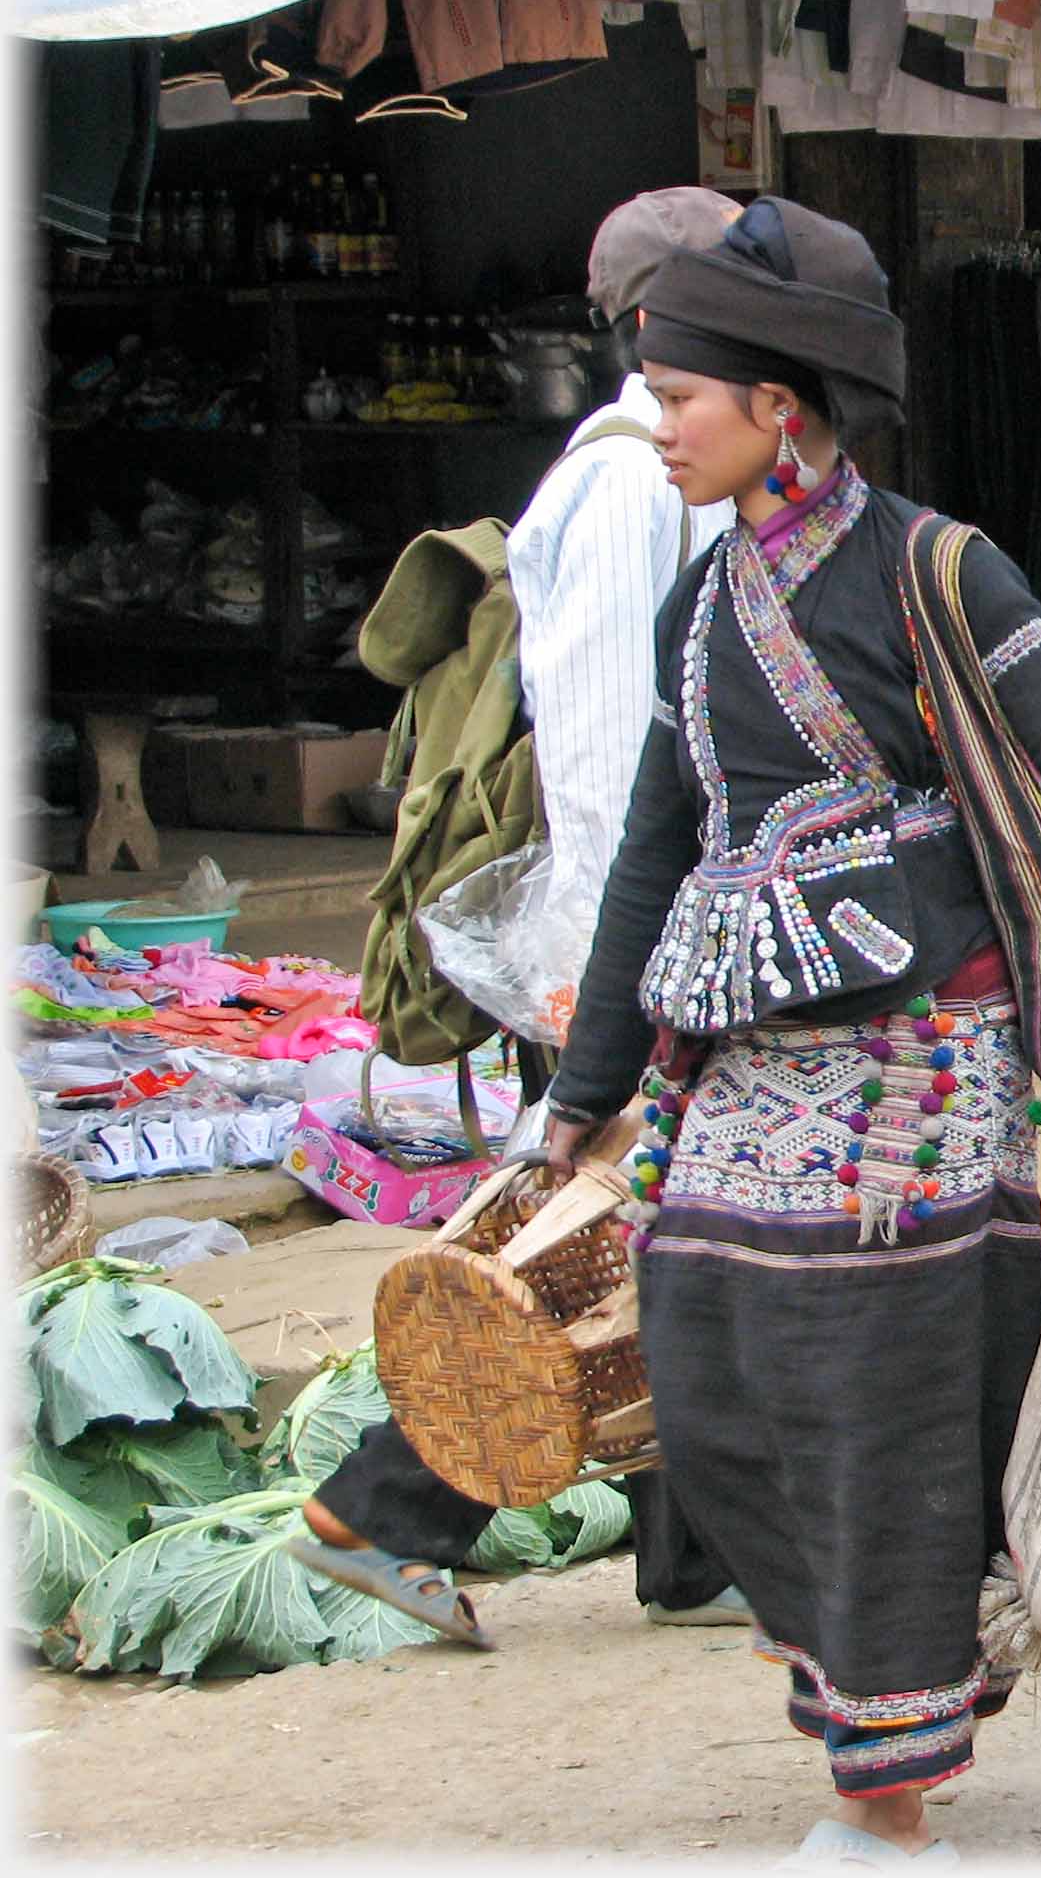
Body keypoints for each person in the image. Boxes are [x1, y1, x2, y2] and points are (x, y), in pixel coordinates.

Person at [536, 195, 1041, 1867]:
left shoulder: (934, 568)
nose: (657, 423)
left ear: (780, 406)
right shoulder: (708, 606)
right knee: (701, 1374)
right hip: (746, 1065)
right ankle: (908, 1650)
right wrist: (586, 1089)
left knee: (877, 1396)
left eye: (677, 394)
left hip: (920, 1063)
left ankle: (884, 1781)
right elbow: (658, 839)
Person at [292, 187, 751, 1645]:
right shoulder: (633, 484)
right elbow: (622, 757)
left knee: (667, 1239)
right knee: (582, 1247)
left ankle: (695, 1549)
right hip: (635, 944)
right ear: (653, 323)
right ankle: (384, 1503)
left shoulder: (675, 471)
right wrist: (630, 985)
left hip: (660, 936)